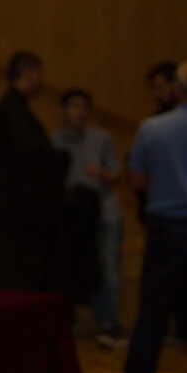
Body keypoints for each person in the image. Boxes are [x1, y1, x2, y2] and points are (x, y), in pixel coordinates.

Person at [123, 59, 187, 373]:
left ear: (177, 88)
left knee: (152, 313)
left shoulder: (152, 129)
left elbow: (137, 182)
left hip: (166, 229)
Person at [0, 51, 70, 291]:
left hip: (20, 206)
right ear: (28, 73)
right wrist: (61, 159)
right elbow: (31, 156)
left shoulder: (15, 108)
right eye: (39, 73)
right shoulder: (12, 110)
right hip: (20, 209)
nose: (41, 80)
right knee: (20, 272)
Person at [51, 88, 125, 346]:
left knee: (108, 267)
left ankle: (108, 323)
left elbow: (117, 174)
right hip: (72, 215)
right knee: (71, 266)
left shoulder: (102, 137)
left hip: (104, 211)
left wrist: (102, 173)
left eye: (84, 107)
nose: (80, 112)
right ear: (63, 110)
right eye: (74, 106)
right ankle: (72, 319)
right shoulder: (54, 141)